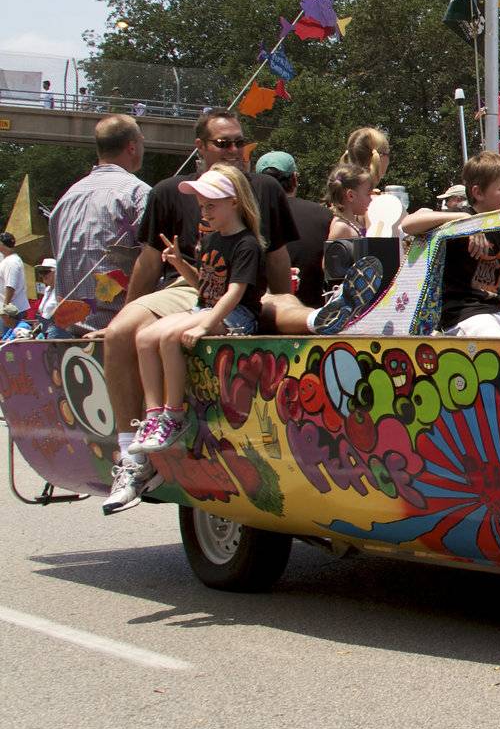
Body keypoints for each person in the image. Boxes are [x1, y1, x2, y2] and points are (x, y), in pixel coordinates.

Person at [99, 109, 296, 514]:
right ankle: (132, 458)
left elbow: (277, 258)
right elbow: (151, 263)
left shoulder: (265, 190)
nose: (235, 150)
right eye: (224, 143)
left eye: (241, 142)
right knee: (122, 333)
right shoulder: (170, 192)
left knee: (287, 307)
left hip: (240, 289)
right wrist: (123, 312)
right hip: (189, 285)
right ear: (200, 148)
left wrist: (279, 304)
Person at [124, 166, 264, 456]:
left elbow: (235, 293)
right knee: (145, 337)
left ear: (234, 202)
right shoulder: (212, 239)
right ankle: (153, 416)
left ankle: (173, 416)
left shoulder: (247, 243)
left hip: (235, 316)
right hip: (207, 307)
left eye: (211, 205)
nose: (205, 212)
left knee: (169, 337)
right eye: (202, 206)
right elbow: (204, 283)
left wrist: (204, 325)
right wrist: (179, 264)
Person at [399, 151, 500, 337]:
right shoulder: (460, 220)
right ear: (478, 192)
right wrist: (466, 221)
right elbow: (408, 224)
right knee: (495, 340)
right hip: (465, 314)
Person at [49, 114, 149, 332]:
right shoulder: (138, 194)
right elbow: (150, 263)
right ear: (132, 147)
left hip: (65, 332)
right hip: (115, 332)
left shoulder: (66, 198)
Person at [256, 150, 333, 309]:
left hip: (259, 314)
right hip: (312, 315)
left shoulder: (245, 219)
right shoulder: (325, 216)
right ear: (295, 179)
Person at [325, 163, 375, 241]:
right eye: (368, 194)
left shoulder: (352, 222)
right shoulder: (341, 228)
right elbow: (331, 252)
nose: (371, 199)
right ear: (351, 196)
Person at [0, 231, 23, 309]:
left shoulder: (11, 262)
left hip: (11, 310)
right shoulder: (7, 259)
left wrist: (5, 307)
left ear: (2, 244)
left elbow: (10, 286)